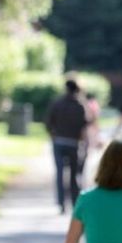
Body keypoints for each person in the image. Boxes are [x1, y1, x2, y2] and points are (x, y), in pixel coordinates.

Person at [44, 80, 91, 214]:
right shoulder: (80, 105)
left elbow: (48, 122)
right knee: (74, 174)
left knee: (59, 173)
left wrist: (53, 135)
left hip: (58, 141)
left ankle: (61, 203)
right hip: (74, 143)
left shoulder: (56, 103)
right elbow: (84, 126)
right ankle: (75, 202)